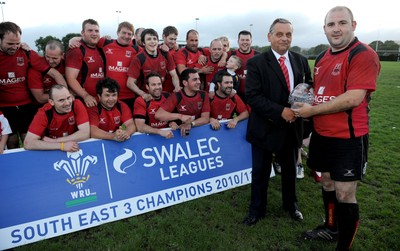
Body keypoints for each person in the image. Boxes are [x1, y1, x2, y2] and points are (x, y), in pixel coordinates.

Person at [293, 6, 380, 250]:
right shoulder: (321, 57)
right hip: (322, 135)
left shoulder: (363, 54)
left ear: (354, 25)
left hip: (349, 137)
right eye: (331, 25)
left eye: (342, 23)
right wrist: (304, 105)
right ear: (324, 29)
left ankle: (343, 245)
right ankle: (330, 228)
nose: (336, 28)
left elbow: (353, 98)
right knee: (327, 183)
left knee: (344, 193)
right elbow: (321, 93)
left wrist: (311, 111)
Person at [242, 18, 312, 226]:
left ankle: (291, 205)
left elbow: (306, 87)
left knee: (290, 170)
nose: (284, 38)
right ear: (269, 36)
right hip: (265, 126)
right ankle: (256, 210)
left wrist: (304, 104)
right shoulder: (256, 63)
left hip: (292, 128)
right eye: (279, 34)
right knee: (260, 172)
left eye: (288, 34)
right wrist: (281, 111)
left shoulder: (300, 60)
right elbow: (253, 96)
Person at [0, 21, 66, 149]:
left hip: (26, 106)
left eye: (17, 43)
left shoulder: (26, 53)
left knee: (29, 140)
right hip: (5, 108)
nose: (14, 47)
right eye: (10, 44)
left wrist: (65, 96)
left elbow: (55, 74)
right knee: (11, 142)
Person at [23, 85, 90, 152]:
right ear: (51, 102)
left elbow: (85, 133)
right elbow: (28, 143)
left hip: (73, 147)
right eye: (61, 100)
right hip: (51, 151)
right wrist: (62, 146)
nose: (67, 103)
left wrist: (55, 141)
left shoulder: (76, 104)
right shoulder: (44, 113)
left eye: (68, 98)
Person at [127, 28, 180, 102]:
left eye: (154, 39)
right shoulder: (139, 58)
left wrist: (177, 86)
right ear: (143, 43)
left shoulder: (165, 54)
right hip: (146, 98)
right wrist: (143, 94)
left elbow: (174, 75)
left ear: (158, 41)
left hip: (162, 96)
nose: (152, 42)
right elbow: (130, 83)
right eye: (149, 39)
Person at [155, 68, 210, 137]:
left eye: (198, 79)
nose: (199, 82)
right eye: (195, 79)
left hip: (198, 131)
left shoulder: (203, 95)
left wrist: (191, 124)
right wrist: (180, 116)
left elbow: (205, 118)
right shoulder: (177, 96)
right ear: (185, 83)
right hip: (178, 133)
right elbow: (158, 115)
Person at [65, 19, 105, 108]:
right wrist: (85, 95)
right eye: (90, 30)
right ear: (82, 33)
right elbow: (70, 78)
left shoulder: (100, 48)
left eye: (96, 31)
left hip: (99, 99)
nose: (94, 33)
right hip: (84, 100)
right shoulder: (76, 49)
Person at [87, 77, 136, 141]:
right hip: (99, 143)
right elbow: (93, 131)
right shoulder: (93, 107)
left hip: (116, 139)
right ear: (99, 96)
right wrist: (112, 136)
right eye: (107, 95)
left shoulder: (121, 105)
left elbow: (131, 124)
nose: (111, 99)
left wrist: (126, 133)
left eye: (114, 95)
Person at [133, 72, 176, 139]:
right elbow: (140, 127)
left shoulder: (168, 96)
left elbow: (175, 115)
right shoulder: (141, 101)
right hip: (149, 138)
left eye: (159, 84)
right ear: (147, 87)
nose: (157, 87)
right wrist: (159, 132)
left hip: (168, 136)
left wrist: (173, 122)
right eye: (153, 85)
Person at [28, 40, 66, 104]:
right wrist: (65, 94)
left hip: (63, 102)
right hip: (43, 106)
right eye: (47, 56)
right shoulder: (35, 69)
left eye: (54, 58)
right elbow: (40, 98)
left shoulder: (67, 64)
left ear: (62, 55)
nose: (50, 61)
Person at [231, 30, 260, 102]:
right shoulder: (231, 54)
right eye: (242, 40)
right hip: (235, 95)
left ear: (251, 41)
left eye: (247, 40)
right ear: (238, 41)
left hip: (254, 95)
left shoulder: (258, 55)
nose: (244, 42)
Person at [160, 26, 180, 93]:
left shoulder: (177, 51)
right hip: (161, 90)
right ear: (163, 36)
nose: (173, 42)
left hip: (174, 89)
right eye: (171, 39)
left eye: (175, 39)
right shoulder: (157, 50)